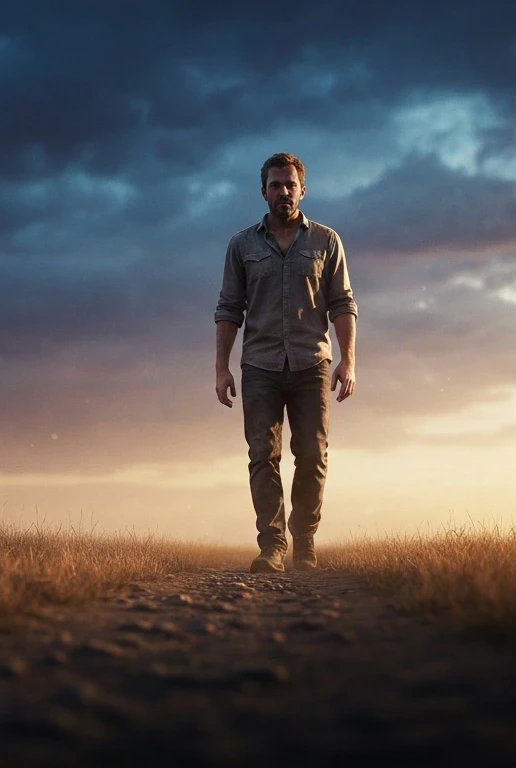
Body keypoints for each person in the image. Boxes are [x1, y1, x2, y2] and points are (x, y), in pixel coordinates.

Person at [213, 153, 358, 573]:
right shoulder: (242, 246)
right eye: (275, 185)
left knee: (312, 453)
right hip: (259, 365)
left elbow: (343, 304)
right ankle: (272, 546)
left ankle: (305, 540)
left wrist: (348, 361)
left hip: (311, 363)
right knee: (263, 454)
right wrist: (221, 368)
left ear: (302, 190)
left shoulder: (326, 241)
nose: (283, 192)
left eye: (290, 185)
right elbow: (228, 308)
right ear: (263, 192)